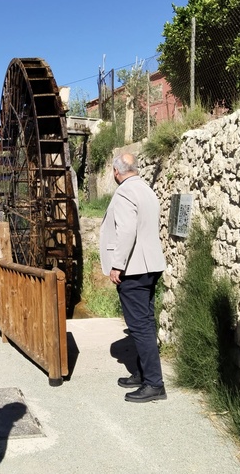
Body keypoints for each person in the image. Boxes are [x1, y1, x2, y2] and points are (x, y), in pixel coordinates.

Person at [99, 152, 167, 403]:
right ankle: (142, 373)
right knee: (145, 323)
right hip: (149, 265)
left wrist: (118, 264)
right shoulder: (146, 189)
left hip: (134, 268)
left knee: (139, 326)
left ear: (116, 172)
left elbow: (126, 230)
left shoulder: (125, 192)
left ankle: (154, 384)